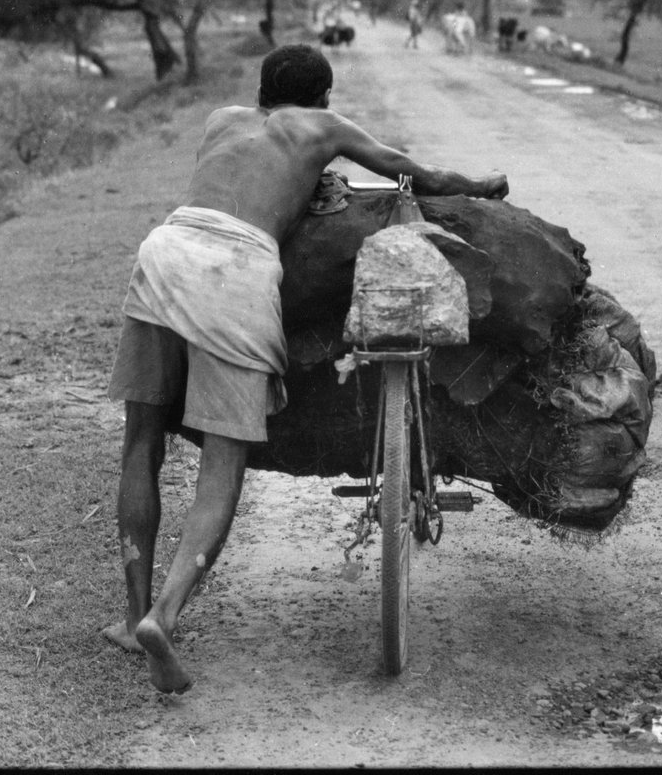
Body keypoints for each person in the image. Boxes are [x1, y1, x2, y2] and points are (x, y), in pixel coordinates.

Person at [102, 44, 508, 694]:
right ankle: (164, 615)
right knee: (222, 461)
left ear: (263, 91)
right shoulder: (324, 129)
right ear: (322, 97)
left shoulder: (222, 119)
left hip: (165, 251)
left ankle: (129, 615)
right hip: (234, 275)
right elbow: (410, 171)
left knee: (141, 442)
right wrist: (480, 184)